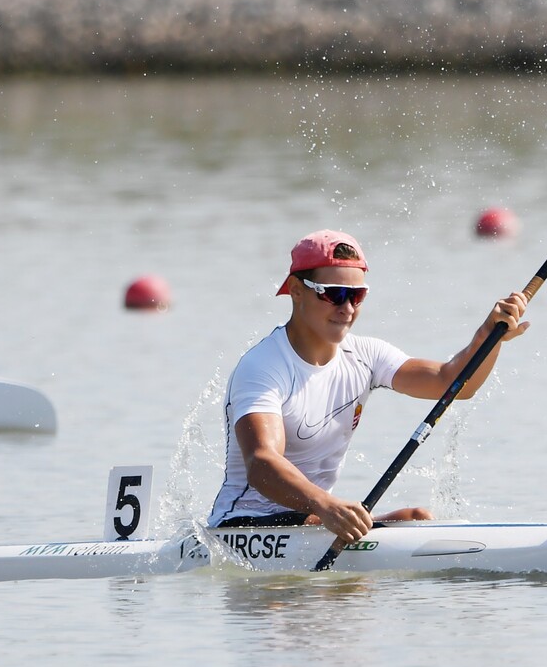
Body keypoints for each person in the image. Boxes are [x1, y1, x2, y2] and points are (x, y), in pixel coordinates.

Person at [208, 229, 529, 543]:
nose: (347, 308)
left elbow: (453, 382)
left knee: (419, 518)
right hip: (243, 528)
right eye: (333, 293)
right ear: (296, 289)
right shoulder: (263, 366)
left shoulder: (365, 355)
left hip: (314, 519)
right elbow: (261, 463)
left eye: (357, 295)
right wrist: (327, 504)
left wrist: (490, 335)